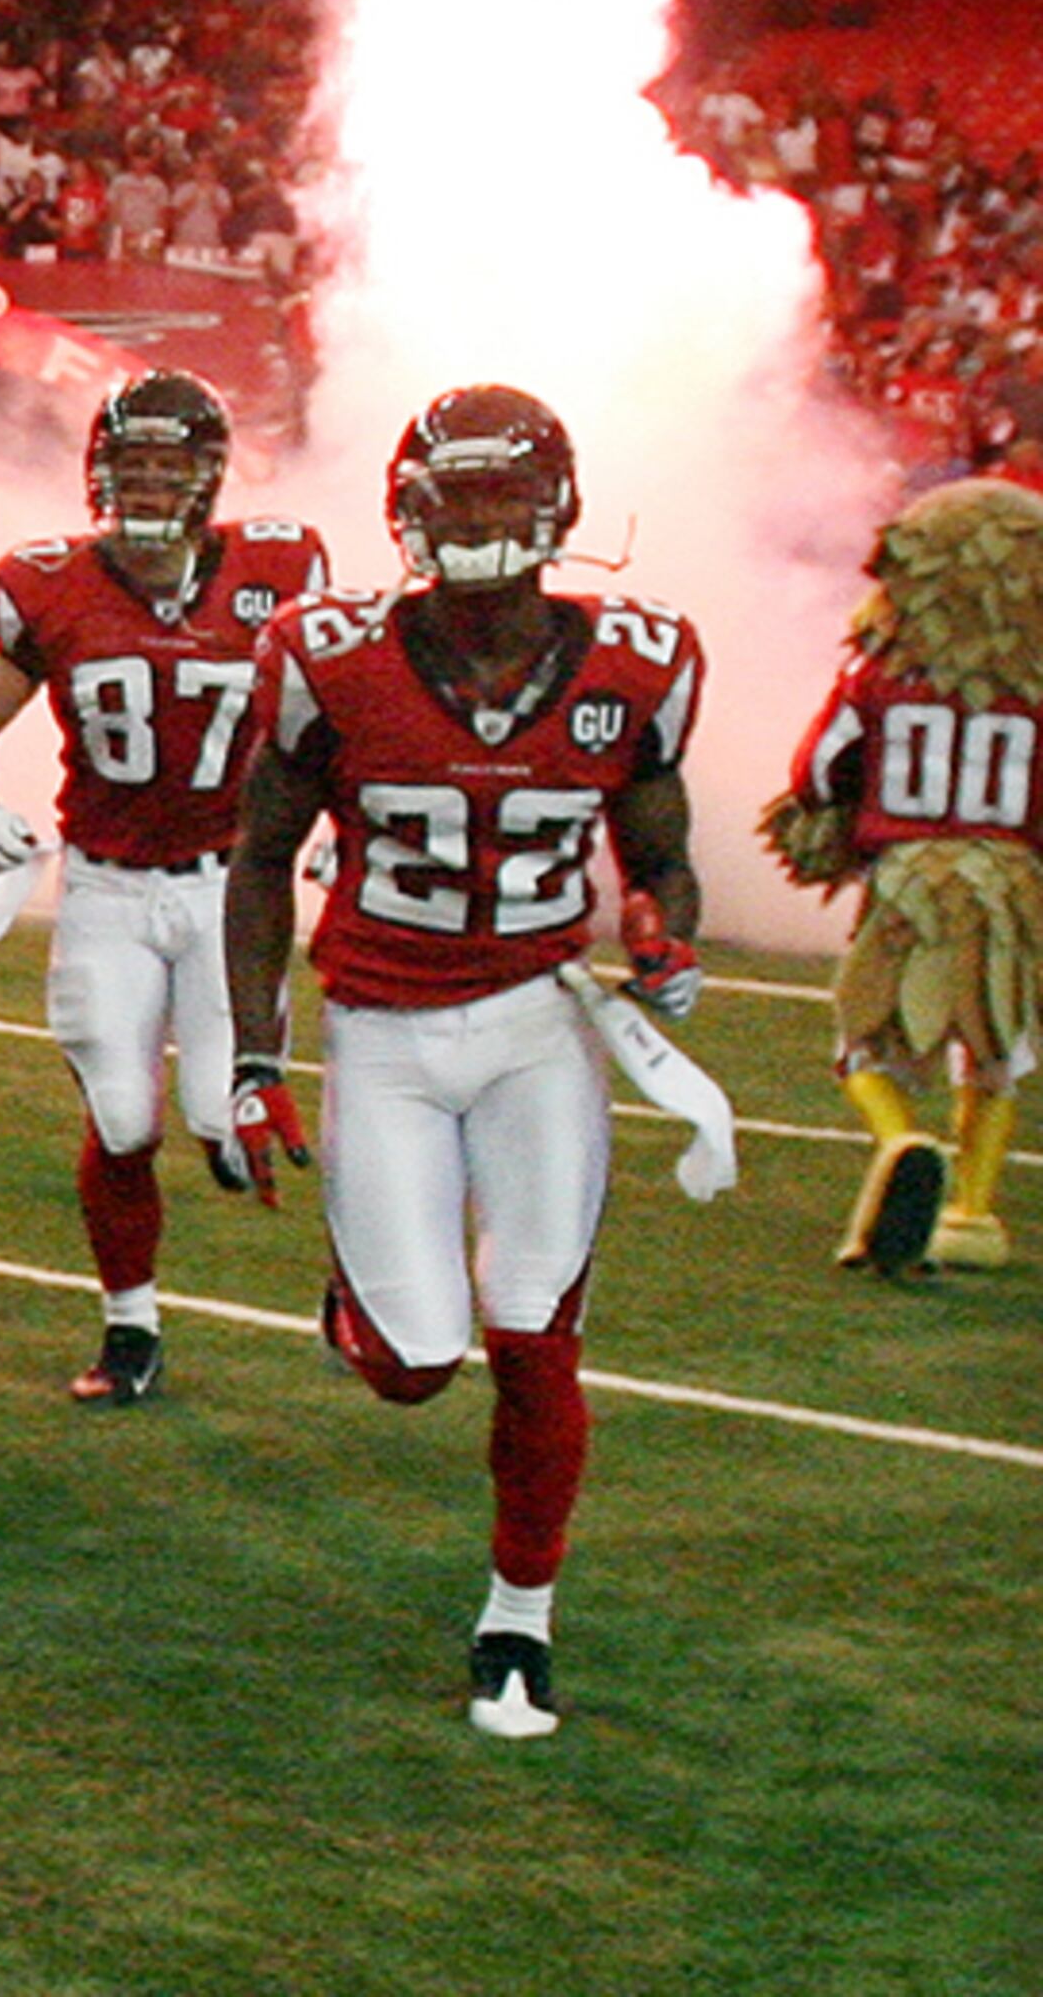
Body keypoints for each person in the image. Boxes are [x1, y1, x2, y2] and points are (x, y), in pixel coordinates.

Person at [226, 383, 704, 1738]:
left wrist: (669, 926)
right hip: (381, 1027)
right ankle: (363, 1307)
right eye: (459, 497)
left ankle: (518, 1622)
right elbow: (261, 862)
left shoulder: (640, 663)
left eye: (504, 495)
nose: (482, 522)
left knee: (536, 1338)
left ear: (552, 506)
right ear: (410, 511)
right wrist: (256, 1061)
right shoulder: (330, 654)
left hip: (540, 1027)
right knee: (415, 1364)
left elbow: (661, 851)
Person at [0, 369, 328, 1404]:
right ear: (99, 470)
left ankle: (349, 1259)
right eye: (133, 465)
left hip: (228, 891)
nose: (150, 486)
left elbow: (332, 714)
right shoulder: (50, 582)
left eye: (170, 467)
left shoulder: (278, 569)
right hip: (106, 888)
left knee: (222, 1120)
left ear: (209, 476)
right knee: (120, 1119)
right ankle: (131, 1327)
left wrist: (342, 823)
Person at [766, 478, 1043, 1273]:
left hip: (912, 875)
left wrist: (834, 827)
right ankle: (974, 1212)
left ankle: (900, 1140)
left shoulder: (878, 676)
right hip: (1013, 881)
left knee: (865, 1044)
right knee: (996, 1048)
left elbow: (817, 769)